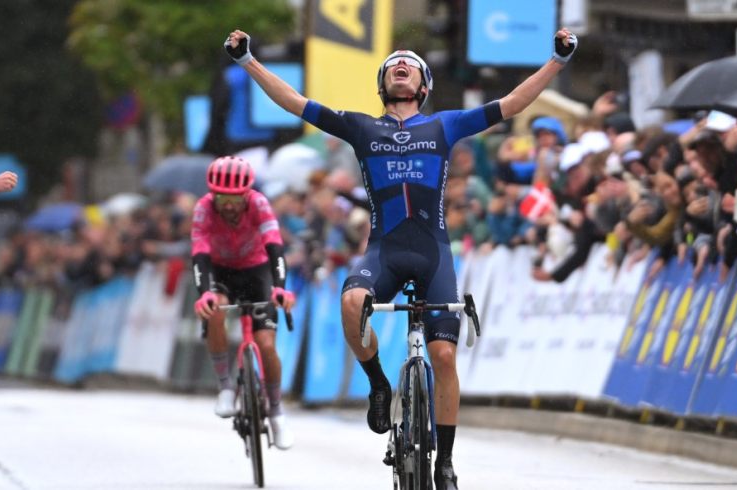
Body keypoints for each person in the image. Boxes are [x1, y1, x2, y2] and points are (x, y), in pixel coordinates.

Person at [224, 27, 577, 489]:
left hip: (433, 254)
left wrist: (557, 60)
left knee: (443, 357)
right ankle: (378, 383)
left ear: (424, 86)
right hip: (384, 252)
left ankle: (445, 462)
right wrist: (248, 61)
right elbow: (295, 102)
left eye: (410, 65)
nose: (401, 66)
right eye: (393, 65)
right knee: (352, 303)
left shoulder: (445, 125)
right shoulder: (361, 127)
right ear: (383, 85)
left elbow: (511, 104)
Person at [191, 156, 296, 450]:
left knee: (266, 344)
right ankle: (225, 386)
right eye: (221, 198)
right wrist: (204, 292)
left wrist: (280, 287)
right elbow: (199, 252)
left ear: (247, 194)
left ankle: (276, 411)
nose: (228, 205)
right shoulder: (203, 208)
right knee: (214, 310)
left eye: (235, 199)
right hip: (221, 270)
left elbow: (275, 246)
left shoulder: (259, 204)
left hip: (256, 270)